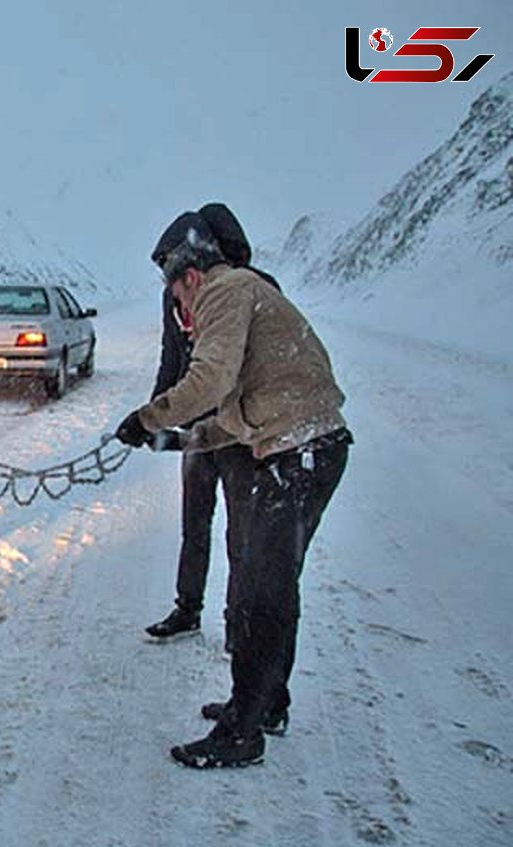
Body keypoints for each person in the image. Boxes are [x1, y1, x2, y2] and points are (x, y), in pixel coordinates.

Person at [116, 211, 352, 768]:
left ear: (188, 275)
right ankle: (265, 702)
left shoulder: (223, 291)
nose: (177, 307)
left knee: (261, 591)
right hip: (301, 449)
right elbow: (233, 414)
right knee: (269, 584)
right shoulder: (242, 290)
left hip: (300, 454)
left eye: (174, 290)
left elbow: (209, 382)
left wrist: (149, 416)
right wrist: (168, 441)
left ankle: (243, 733)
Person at [143, 204, 279, 646]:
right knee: (194, 523)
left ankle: (238, 624)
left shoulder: (252, 288)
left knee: (242, 533)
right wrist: (157, 412)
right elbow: (173, 357)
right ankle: (188, 609)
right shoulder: (174, 297)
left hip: (242, 431)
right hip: (199, 430)